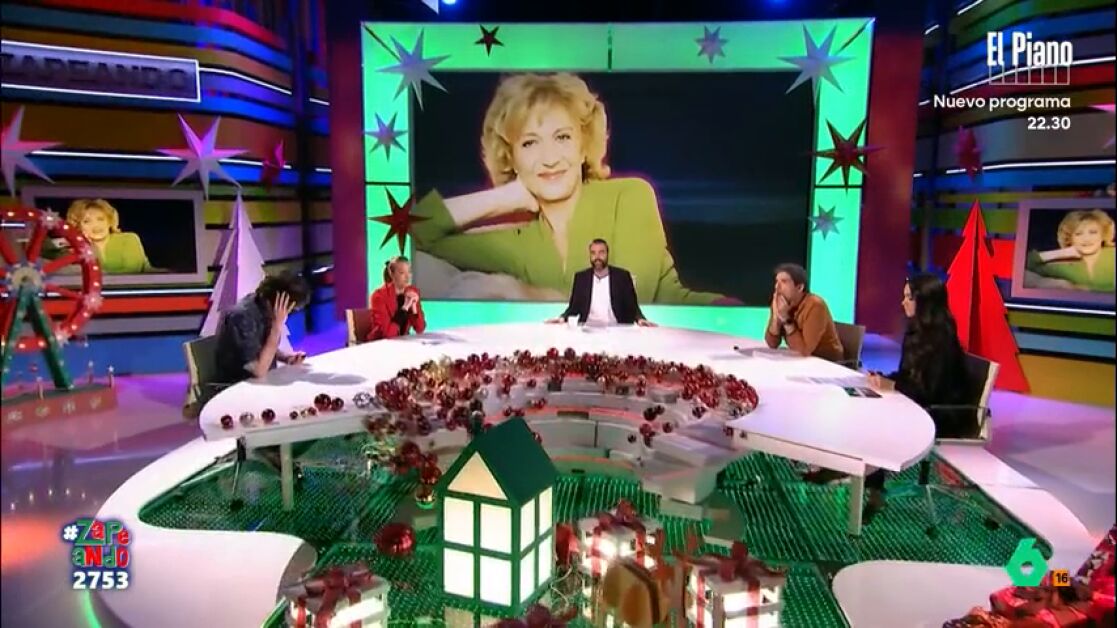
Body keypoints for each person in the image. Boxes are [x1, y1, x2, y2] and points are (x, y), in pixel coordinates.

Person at [409, 72, 732, 305]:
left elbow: (625, 304)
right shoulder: (518, 241)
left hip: (703, 334)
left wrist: (522, 293)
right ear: (511, 157)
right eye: (530, 143)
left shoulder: (629, 195)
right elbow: (405, 235)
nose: (549, 158)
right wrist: (503, 196)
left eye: (562, 137)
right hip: (601, 367)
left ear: (583, 145)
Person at [805, 274, 975, 523]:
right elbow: (908, 376)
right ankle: (865, 481)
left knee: (879, 422)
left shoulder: (942, 341)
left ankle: (860, 477)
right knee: (864, 408)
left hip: (941, 414)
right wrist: (883, 378)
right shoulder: (916, 331)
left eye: (909, 297)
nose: (902, 302)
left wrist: (893, 385)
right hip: (919, 402)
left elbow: (929, 391)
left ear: (925, 302)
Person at [214, 272, 309, 385]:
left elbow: (258, 347)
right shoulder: (241, 317)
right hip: (238, 385)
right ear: (279, 302)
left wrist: (286, 358)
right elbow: (258, 370)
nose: (287, 314)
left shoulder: (264, 308)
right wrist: (276, 326)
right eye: (291, 310)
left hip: (263, 381)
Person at [545, 239, 655, 326]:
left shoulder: (622, 276)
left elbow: (632, 306)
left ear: (607, 254)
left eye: (601, 252)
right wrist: (562, 318)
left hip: (617, 329)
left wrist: (640, 319)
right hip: (588, 328)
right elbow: (573, 307)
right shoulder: (581, 278)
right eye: (593, 253)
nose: (597, 257)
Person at [763, 263, 843, 362]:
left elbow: (804, 351)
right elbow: (772, 344)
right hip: (801, 359)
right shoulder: (781, 303)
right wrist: (776, 318)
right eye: (776, 281)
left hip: (828, 363)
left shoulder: (815, 305)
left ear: (799, 287)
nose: (777, 287)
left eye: (784, 282)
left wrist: (786, 319)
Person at [1025, 209, 1115, 293]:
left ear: (1103, 235)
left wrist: (1081, 289)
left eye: (1093, 232)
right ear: (1070, 238)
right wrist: (1061, 253)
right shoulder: (1060, 265)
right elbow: (1024, 265)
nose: (1086, 239)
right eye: (1078, 234)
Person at [65, 199, 154, 274]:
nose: (96, 226)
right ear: (78, 226)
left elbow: (132, 272)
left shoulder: (128, 239)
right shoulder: (79, 248)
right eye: (87, 221)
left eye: (100, 219)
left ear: (109, 221)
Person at [369, 256, 427, 341]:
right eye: (402, 273)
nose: (407, 277)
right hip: (380, 343)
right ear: (392, 274)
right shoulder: (379, 296)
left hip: (402, 342)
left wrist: (414, 306)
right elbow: (388, 335)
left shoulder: (413, 292)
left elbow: (420, 329)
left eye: (409, 272)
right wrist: (405, 307)